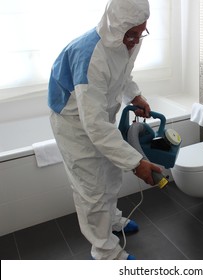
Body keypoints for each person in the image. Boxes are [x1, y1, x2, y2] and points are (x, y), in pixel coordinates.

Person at [48, 0, 162, 260]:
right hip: (73, 121)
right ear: (115, 26)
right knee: (92, 188)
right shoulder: (91, 55)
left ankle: (112, 220)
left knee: (110, 175)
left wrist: (135, 96)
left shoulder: (129, 37)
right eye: (131, 34)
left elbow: (123, 74)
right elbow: (94, 126)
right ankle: (106, 252)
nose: (135, 40)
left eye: (141, 31)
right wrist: (136, 162)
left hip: (98, 112)